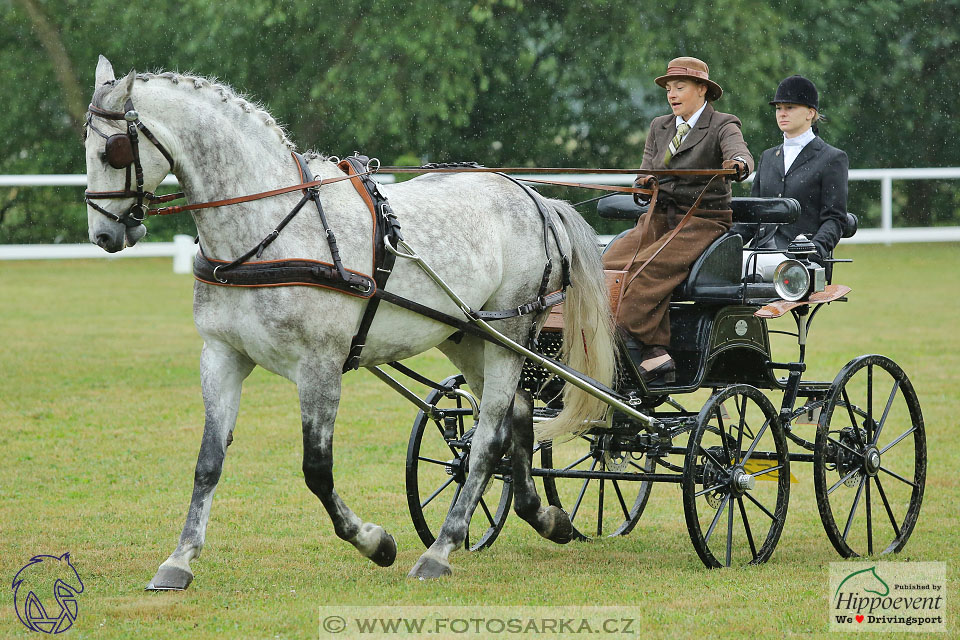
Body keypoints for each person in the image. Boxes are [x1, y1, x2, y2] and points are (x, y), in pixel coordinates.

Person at [602, 57, 753, 383]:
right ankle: (656, 355)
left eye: (679, 87)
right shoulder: (660, 126)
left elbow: (739, 151)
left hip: (703, 220)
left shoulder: (723, 123)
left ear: (702, 90)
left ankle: (630, 340)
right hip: (657, 218)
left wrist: (738, 163)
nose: (672, 94)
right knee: (608, 265)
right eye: (669, 89)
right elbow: (646, 170)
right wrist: (643, 184)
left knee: (646, 269)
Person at [750, 75, 848, 262]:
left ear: (810, 113)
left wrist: (813, 252)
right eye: (779, 108)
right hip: (759, 255)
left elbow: (834, 219)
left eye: (790, 107)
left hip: (801, 259)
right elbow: (753, 213)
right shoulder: (768, 157)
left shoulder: (832, 158)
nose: (782, 113)